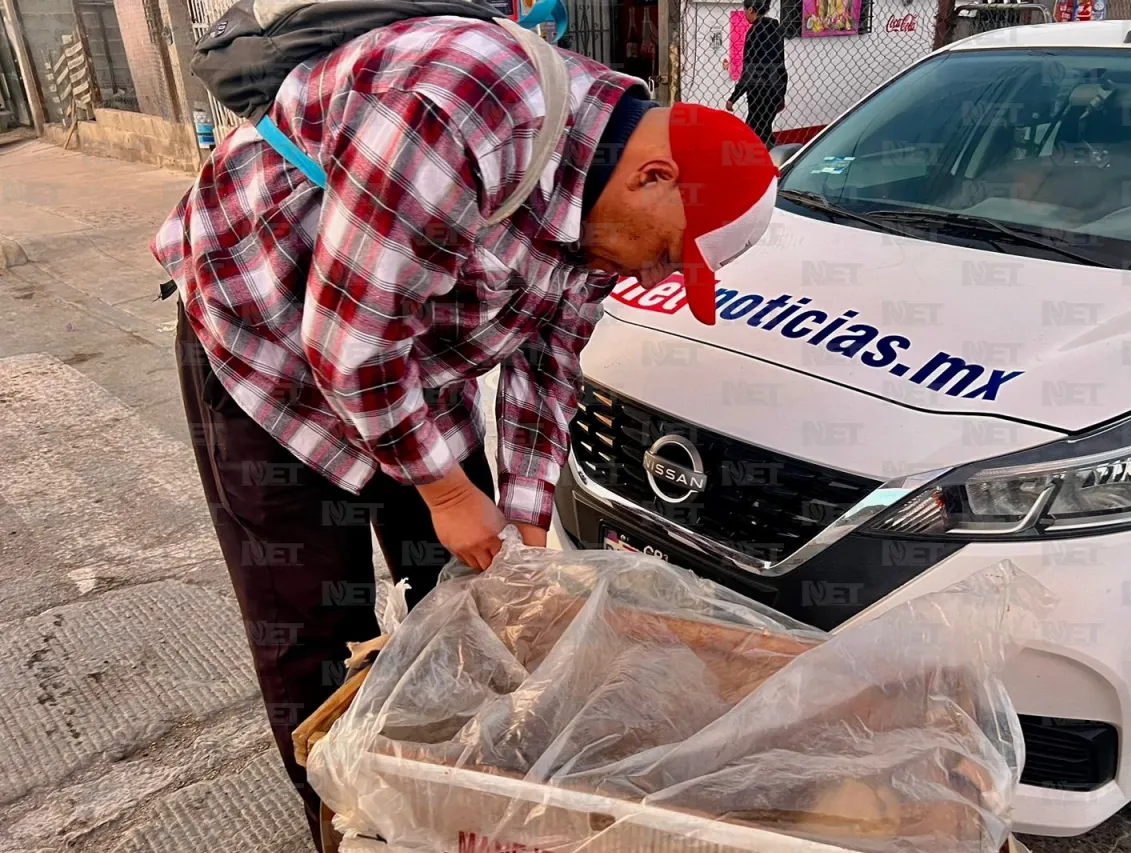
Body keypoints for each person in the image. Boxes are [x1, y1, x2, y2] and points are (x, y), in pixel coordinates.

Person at [152, 13, 778, 851]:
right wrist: (446, 489)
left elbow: (548, 365)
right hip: (266, 342)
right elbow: (349, 345)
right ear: (654, 175)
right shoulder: (462, 107)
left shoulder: (604, 210)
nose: (649, 276)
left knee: (474, 587)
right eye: (666, 256)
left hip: (409, 356)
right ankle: (343, 825)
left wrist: (522, 523)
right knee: (314, 622)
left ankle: (443, 804)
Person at [727, 0, 788, 148]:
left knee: (753, 134)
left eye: (745, 10)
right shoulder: (776, 29)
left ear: (752, 10)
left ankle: (761, 164)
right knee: (764, 129)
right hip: (775, 87)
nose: (745, 14)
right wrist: (781, 95)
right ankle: (771, 160)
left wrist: (733, 98)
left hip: (758, 91)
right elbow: (780, 62)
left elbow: (749, 70)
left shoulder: (753, 33)